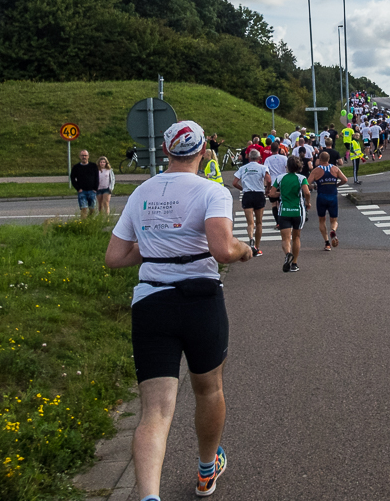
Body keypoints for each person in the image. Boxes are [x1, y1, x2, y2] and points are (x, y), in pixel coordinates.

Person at [104, 120, 253, 501]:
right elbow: (222, 249)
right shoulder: (211, 191)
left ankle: (149, 497)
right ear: (204, 153)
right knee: (209, 389)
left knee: (154, 410)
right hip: (200, 301)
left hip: (152, 302)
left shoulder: (140, 193)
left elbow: (115, 257)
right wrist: (245, 249)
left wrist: (156, 247)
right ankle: (206, 471)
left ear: (167, 152)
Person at [268, 154, 310, 273]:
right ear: (299, 166)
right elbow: (307, 192)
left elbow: (272, 193)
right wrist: (308, 202)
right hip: (298, 211)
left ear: (287, 166)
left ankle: (287, 254)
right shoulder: (302, 178)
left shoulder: (280, 178)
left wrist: (281, 194)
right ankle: (294, 263)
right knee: (296, 237)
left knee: (285, 239)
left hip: (284, 211)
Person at [231, 149, 270, 257]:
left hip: (247, 194)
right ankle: (257, 247)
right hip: (259, 194)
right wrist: (267, 189)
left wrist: (242, 188)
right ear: (259, 158)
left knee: (250, 223)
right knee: (259, 222)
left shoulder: (243, 168)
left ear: (248, 158)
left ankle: (251, 238)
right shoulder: (262, 167)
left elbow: (234, 182)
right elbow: (269, 179)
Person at [308, 152, 347, 250]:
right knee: (334, 220)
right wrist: (336, 185)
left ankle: (327, 243)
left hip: (321, 197)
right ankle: (333, 230)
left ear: (320, 159)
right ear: (328, 159)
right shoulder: (335, 169)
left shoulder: (316, 171)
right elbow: (345, 180)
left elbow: (307, 183)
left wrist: (314, 186)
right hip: (332, 197)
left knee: (322, 220)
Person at [71, 149, 100, 219]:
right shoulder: (76, 167)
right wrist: (78, 188)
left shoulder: (93, 166)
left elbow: (97, 177)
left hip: (92, 191)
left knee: (92, 209)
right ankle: (84, 222)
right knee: (84, 209)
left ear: (88, 156)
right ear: (80, 156)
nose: (84, 157)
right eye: (82, 155)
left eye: (85, 155)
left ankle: (90, 221)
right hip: (82, 191)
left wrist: (95, 188)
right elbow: (72, 178)